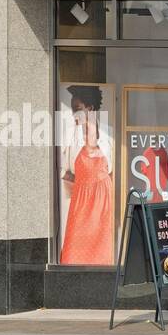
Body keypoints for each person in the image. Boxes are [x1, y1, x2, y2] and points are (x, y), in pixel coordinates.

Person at [59, 85, 113, 265]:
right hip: (81, 201)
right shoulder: (70, 136)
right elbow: (64, 170)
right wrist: (83, 184)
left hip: (103, 203)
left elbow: (112, 169)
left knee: (102, 253)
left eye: (78, 109)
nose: (74, 114)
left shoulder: (108, 135)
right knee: (75, 252)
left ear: (90, 108)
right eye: (73, 109)